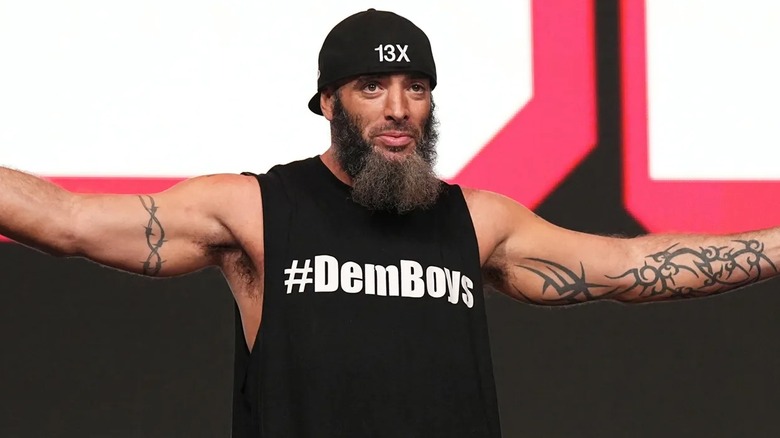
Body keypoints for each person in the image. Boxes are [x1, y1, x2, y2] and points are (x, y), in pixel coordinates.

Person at [1, 8, 778, 438]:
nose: (399, 108)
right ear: (328, 102)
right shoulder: (254, 211)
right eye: (372, 86)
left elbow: (630, 269)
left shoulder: (477, 222)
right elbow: (67, 221)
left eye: (416, 86)